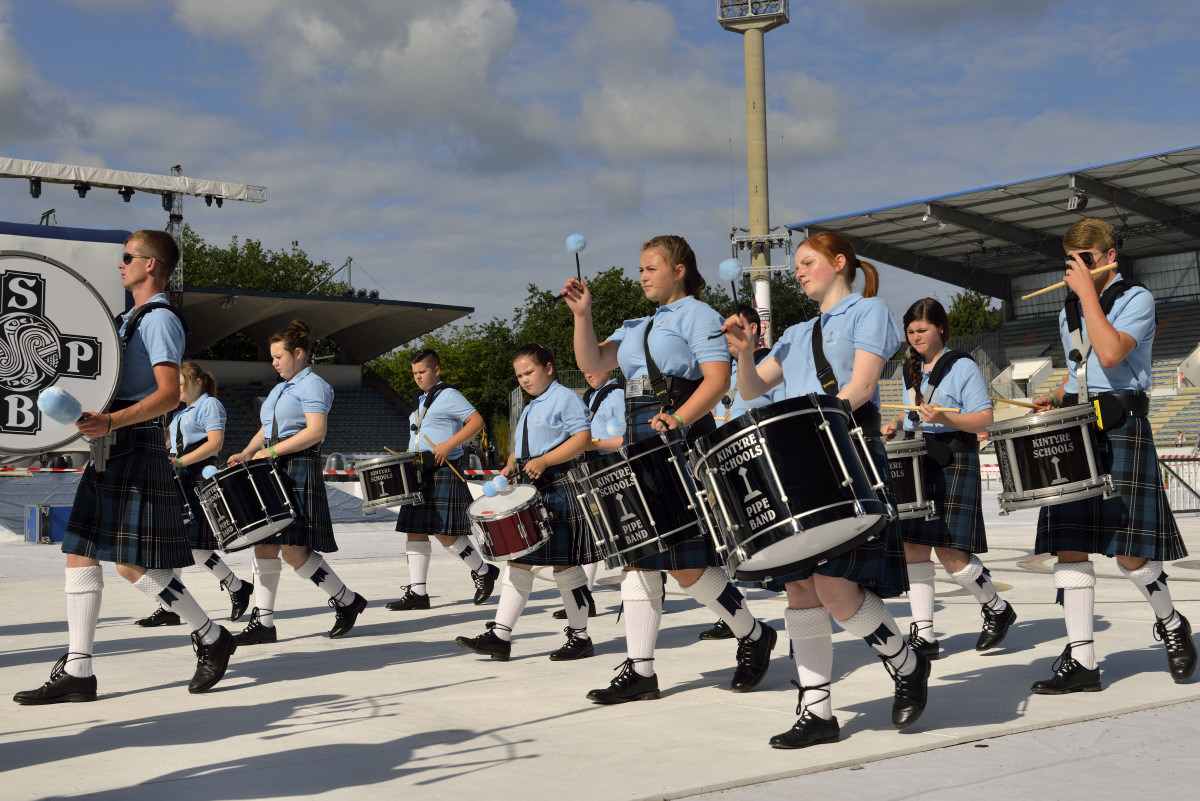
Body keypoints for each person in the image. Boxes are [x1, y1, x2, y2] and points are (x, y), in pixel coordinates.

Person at [726, 231, 929, 749]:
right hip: (795, 466)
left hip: (846, 453)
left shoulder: (870, 311)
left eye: (808, 261)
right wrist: (747, 354)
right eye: (796, 264)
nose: (798, 270)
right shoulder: (794, 331)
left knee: (838, 591)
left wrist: (817, 420)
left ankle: (906, 663)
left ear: (840, 263)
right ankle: (817, 711)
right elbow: (751, 391)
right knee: (799, 589)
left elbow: (860, 387)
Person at [15, 231, 236, 704]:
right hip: (114, 444)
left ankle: (212, 636)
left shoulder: (158, 320)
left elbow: (169, 394)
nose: (120, 265)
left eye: (127, 257)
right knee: (83, 553)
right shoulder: (127, 318)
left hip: (132, 442)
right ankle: (80, 668)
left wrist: (111, 419)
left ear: (151, 264)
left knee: (129, 565)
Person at [563, 234, 777, 704]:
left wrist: (679, 419)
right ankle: (641, 671)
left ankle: (753, 633)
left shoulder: (699, 314)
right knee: (638, 553)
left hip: (680, 433)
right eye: (640, 268)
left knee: (683, 564)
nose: (642, 275)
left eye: (651, 267)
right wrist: (582, 315)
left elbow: (718, 381)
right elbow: (592, 362)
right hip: (641, 438)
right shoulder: (637, 323)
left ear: (679, 270)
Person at [1029, 217, 1196, 692]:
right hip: (1079, 427)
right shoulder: (1069, 311)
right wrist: (1057, 395)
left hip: (1122, 424)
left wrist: (1085, 296)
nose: (1071, 269)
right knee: (1069, 546)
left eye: (1081, 261)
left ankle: (1171, 623)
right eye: (1068, 261)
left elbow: (1110, 356)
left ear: (1106, 257)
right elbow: (1082, 368)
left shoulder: (1136, 298)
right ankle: (1082, 660)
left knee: (1129, 553)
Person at [881, 298, 1016, 659]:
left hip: (955, 457)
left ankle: (997, 608)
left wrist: (946, 418)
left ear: (940, 327)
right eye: (910, 332)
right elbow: (915, 420)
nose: (915, 337)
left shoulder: (962, 366)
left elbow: (984, 419)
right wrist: (897, 427)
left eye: (922, 330)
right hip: (920, 458)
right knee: (913, 547)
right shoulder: (911, 371)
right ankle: (924, 634)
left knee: (952, 552)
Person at [455, 344, 600, 660]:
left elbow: (582, 439)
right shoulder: (531, 406)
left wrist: (546, 461)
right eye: (520, 375)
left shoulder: (565, 398)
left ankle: (580, 637)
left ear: (549, 368)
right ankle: (500, 635)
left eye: (529, 372)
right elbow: (523, 449)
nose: (524, 379)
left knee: (566, 564)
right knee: (518, 559)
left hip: (560, 484)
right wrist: (510, 464)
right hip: (532, 486)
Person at [228, 320, 368, 644]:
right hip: (274, 465)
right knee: (264, 541)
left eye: (279, 356)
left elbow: (316, 431)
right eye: (273, 357)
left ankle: (346, 600)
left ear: (299, 353)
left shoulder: (313, 385)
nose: (274, 362)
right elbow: (267, 428)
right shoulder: (279, 389)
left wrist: (272, 451)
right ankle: (263, 623)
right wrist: (248, 452)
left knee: (292, 551)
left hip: (297, 465)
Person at [136, 362, 253, 628]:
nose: (175, 389)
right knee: (173, 545)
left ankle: (236, 586)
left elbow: (215, 443)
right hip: (180, 476)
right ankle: (170, 606)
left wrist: (178, 462)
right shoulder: (179, 413)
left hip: (197, 475)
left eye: (179, 384)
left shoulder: (209, 404)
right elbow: (164, 442)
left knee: (195, 545)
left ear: (198, 381)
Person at [387, 349, 498, 610]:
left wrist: (448, 445)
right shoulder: (420, 399)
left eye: (422, 372)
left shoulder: (449, 395)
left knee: (444, 532)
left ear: (436, 370)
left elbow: (476, 421)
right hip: (418, 469)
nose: (418, 378)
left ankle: (483, 571)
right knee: (413, 529)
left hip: (443, 468)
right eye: (414, 373)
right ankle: (418, 593)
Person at [697, 304, 783, 642]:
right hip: (727, 460)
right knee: (728, 538)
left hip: (761, 459)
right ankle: (735, 608)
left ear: (754, 329)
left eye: (736, 330)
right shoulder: (723, 371)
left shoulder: (768, 365)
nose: (729, 339)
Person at [547, 368, 623, 620]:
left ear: (608, 367)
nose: (589, 374)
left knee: (624, 532)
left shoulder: (617, 395)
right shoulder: (588, 398)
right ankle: (586, 598)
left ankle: (655, 580)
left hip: (612, 467)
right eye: (585, 370)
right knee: (594, 534)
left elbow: (626, 438)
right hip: (591, 468)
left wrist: (593, 444)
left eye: (594, 368)